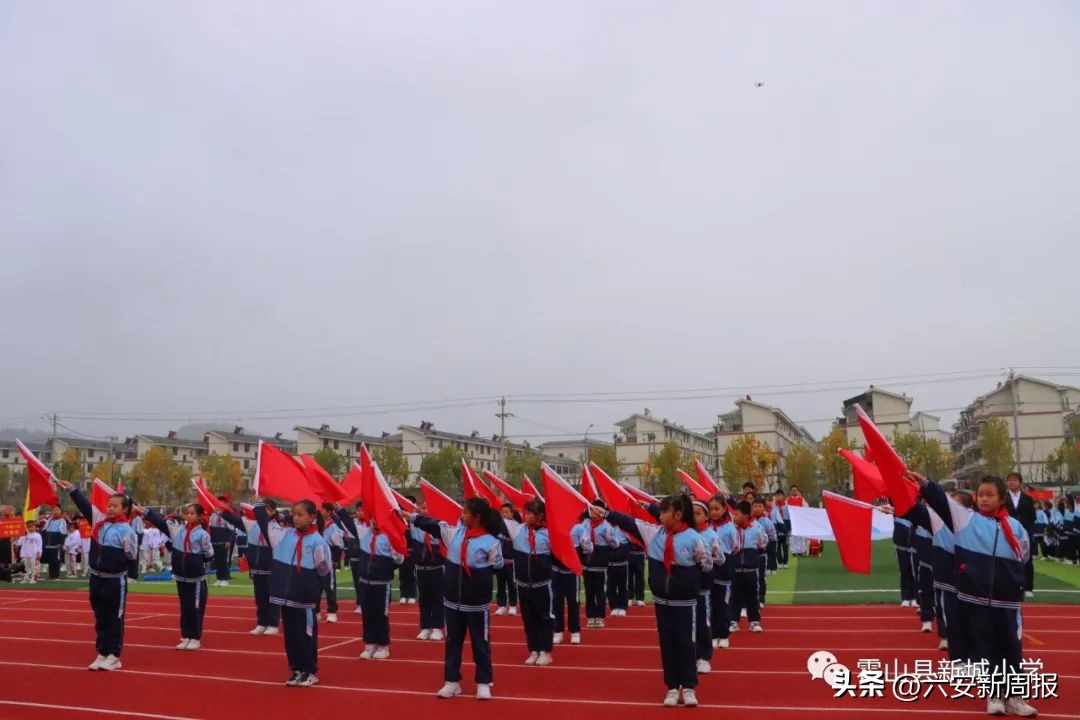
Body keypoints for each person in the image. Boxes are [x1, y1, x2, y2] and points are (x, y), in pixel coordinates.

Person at [909, 472, 1036, 718]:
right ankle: (995, 695)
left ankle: (1015, 697)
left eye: (990, 495)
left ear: (1002, 499)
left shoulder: (1017, 528)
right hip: (977, 599)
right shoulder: (965, 519)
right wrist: (924, 484)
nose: (984, 499)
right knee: (988, 650)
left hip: (1007, 602)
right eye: (981, 495)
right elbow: (941, 501)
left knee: (1012, 649)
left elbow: (1024, 557)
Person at [600, 494, 712, 708]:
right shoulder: (654, 534)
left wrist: (691, 587)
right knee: (667, 644)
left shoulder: (694, 538)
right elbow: (629, 522)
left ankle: (689, 687)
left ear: (677, 515)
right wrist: (606, 514)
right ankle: (672, 687)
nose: (660, 516)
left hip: (685, 603)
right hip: (662, 602)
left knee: (686, 644)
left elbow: (706, 566)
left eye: (664, 512)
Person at [407, 497, 504, 701]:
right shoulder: (455, 533)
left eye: (465, 513)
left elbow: (497, 566)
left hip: (476, 604)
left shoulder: (492, 541)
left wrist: (477, 581)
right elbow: (433, 525)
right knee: (452, 642)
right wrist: (411, 517)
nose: (462, 516)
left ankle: (484, 682)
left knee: (480, 643)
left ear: (477, 517)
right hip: (452, 601)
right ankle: (452, 681)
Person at [55, 478, 138, 671]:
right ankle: (102, 651)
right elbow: (85, 507)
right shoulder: (99, 524)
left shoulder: (126, 530)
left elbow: (131, 554)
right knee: (100, 617)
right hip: (96, 578)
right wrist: (73, 490)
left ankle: (114, 655)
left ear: (125, 509)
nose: (110, 509)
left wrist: (120, 566)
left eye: (115, 506)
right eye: (109, 505)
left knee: (114, 617)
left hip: (115, 581)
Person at [256, 498, 333, 688]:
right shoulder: (285, 535)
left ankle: (309, 671)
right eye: (294, 514)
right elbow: (264, 524)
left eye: (300, 515)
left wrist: (307, 583)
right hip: (285, 596)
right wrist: (261, 507)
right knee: (290, 635)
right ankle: (296, 669)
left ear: (312, 517)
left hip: (304, 598)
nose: (296, 518)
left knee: (305, 635)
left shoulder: (317, 541)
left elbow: (324, 568)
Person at [144, 502, 214, 651]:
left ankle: (195, 638)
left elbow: (209, 554)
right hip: (181, 576)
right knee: (185, 607)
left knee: (195, 608)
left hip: (195, 578)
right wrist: (145, 512)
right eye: (187, 513)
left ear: (200, 516)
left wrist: (195, 562)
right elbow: (160, 523)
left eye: (192, 513)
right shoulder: (178, 530)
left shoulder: (202, 534)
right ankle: (186, 636)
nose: (188, 516)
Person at [336, 511, 404, 660]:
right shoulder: (364, 533)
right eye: (373, 518)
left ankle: (383, 646)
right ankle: (369, 644)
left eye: (379, 518)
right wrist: (340, 510)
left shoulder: (390, 536)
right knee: (367, 614)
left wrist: (385, 565)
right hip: (365, 582)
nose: (375, 521)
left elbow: (399, 559)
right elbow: (348, 523)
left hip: (381, 583)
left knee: (381, 615)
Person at [503, 498, 555, 666]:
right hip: (523, 584)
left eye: (531, 513)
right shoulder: (518, 530)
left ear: (540, 516)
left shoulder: (549, 534)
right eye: (526, 513)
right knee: (528, 619)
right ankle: (533, 649)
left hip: (542, 585)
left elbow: (559, 555)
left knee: (544, 618)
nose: (527, 516)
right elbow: (499, 521)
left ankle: (545, 651)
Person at [408, 497, 445, 641]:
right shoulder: (415, 525)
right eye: (423, 508)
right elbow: (406, 514)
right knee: (423, 599)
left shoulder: (440, 526)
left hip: (436, 567)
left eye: (427, 508)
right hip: (420, 568)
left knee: (437, 597)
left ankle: (437, 627)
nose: (425, 510)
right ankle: (425, 627)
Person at [728, 501, 767, 633]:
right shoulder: (731, 530)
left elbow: (762, 544)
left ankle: (754, 622)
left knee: (752, 597)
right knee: (735, 597)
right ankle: (733, 621)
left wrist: (752, 556)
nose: (734, 517)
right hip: (735, 569)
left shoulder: (756, 530)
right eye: (733, 514)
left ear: (745, 515)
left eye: (737, 514)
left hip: (751, 570)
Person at [693, 499, 721, 674]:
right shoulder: (684, 533)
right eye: (691, 513)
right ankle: (692, 655)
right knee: (688, 624)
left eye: (698, 513)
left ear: (706, 516)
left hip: (703, 585)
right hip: (686, 587)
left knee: (703, 622)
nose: (694, 517)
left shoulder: (711, 535)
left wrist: (707, 559)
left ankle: (704, 657)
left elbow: (721, 558)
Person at [580, 499, 619, 628]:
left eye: (596, 510)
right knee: (589, 592)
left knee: (600, 592)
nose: (593, 512)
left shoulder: (606, 526)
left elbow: (616, 544)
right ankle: (591, 616)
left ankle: (600, 616)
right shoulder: (584, 524)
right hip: (586, 563)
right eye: (591, 509)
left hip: (600, 565)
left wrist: (609, 538)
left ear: (602, 512)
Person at [552, 517, 591, 646]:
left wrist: (579, 556)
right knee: (556, 601)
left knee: (573, 602)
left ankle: (575, 631)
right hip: (556, 570)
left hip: (571, 572)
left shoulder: (578, 528)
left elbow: (588, 547)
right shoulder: (554, 527)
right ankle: (558, 631)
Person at [708, 495, 734, 649]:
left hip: (724, 566)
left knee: (722, 603)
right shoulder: (706, 527)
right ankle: (713, 634)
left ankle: (723, 635)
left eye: (717, 509)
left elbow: (735, 546)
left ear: (724, 509)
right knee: (709, 603)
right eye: (711, 509)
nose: (714, 512)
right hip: (708, 566)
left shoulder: (730, 527)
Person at [1004, 472, 1036, 596]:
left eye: (1014, 480)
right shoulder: (1003, 498)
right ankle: (1009, 585)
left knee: (1026, 560)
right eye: (1009, 480)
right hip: (1006, 532)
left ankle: (1028, 588)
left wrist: (1027, 531)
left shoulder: (1028, 499)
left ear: (1020, 482)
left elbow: (1032, 517)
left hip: (1024, 533)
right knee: (1007, 558)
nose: (1011, 482)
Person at [319, 503, 345, 623]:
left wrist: (334, 560)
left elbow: (338, 546)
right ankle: (316, 611)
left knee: (329, 587)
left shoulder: (333, 527)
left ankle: (332, 611)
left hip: (328, 561)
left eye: (323, 510)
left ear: (329, 512)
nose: (320, 511)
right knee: (315, 587)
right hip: (316, 561)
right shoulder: (316, 525)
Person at [494, 503, 519, 616]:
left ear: (512, 514)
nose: (504, 514)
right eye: (502, 512)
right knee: (500, 584)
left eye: (506, 512)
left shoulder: (516, 526)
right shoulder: (498, 525)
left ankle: (513, 605)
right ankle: (502, 606)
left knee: (512, 584)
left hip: (512, 562)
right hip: (500, 561)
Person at [751, 498, 775, 605]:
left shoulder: (767, 522)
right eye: (755, 506)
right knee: (751, 578)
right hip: (750, 553)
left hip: (762, 554)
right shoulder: (748, 521)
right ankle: (752, 598)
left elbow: (772, 537)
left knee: (761, 576)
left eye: (760, 506)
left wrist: (771, 555)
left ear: (764, 508)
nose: (757, 508)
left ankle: (761, 598)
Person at [209, 500, 235, 587]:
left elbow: (231, 530)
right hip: (214, 541)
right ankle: (219, 578)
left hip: (224, 541)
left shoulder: (226, 515)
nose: (216, 507)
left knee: (223, 561)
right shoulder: (212, 515)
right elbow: (210, 527)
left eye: (218, 505)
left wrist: (229, 541)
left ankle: (225, 579)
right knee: (217, 561)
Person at [607, 524, 631, 616]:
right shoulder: (606, 528)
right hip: (610, 563)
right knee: (611, 586)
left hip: (622, 563)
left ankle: (622, 606)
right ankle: (613, 606)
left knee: (623, 585)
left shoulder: (623, 528)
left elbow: (630, 540)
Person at [42, 507, 67, 580]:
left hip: (56, 543)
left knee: (56, 560)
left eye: (57, 511)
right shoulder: (50, 520)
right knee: (50, 560)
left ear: (60, 512)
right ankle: (51, 575)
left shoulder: (62, 520)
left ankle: (56, 575)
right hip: (49, 543)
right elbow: (45, 529)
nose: (55, 512)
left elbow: (63, 532)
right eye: (54, 510)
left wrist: (61, 542)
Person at [772, 490, 790, 569]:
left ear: (783, 496)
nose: (779, 497)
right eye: (777, 495)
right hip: (776, 528)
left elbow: (788, 518)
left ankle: (785, 562)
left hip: (785, 527)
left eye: (780, 495)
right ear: (775, 497)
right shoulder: (773, 507)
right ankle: (780, 561)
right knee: (777, 547)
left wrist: (789, 529)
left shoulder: (786, 507)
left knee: (785, 546)